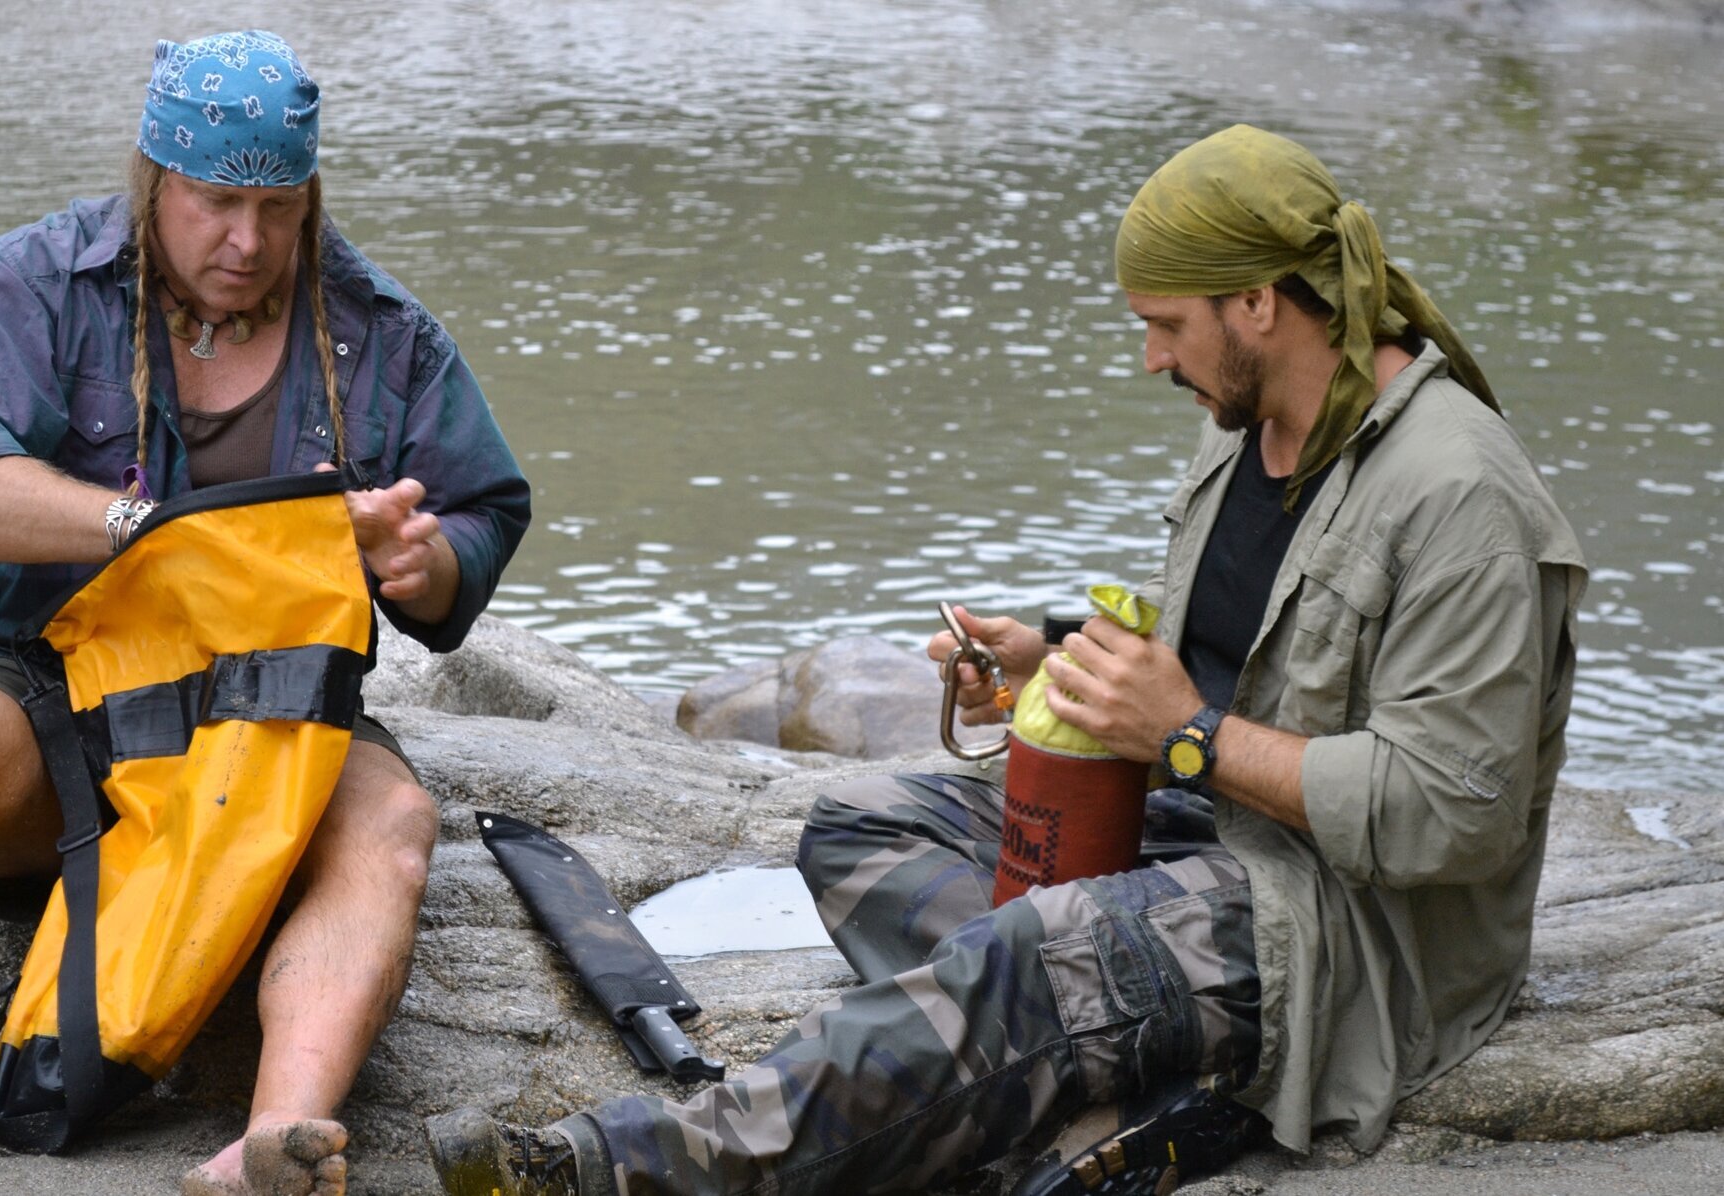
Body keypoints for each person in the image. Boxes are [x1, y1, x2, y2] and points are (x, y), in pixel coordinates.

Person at [427, 124, 1584, 1196]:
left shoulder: (1458, 496)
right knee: (859, 827)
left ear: (1256, 302)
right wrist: (1056, 659)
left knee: (1033, 953)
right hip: (1200, 823)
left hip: (1345, 931)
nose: (1147, 357)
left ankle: (612, 1166)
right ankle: (1075, 1046)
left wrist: (1184, 736)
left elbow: (1450, 816)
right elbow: (1232, 652)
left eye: (1163, 324)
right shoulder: (1247, 422)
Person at [0, 29, 529, 1196]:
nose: (247, 241)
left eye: (278, 208)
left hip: (272, 723)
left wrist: (418, 561)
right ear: (154, 177)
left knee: (389, 822)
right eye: (215, 202)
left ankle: (275, 1140)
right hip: (54, 699)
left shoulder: (380, 330)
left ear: (311, 194)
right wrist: (142, 527)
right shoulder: (37, 282)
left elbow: (482, 517)